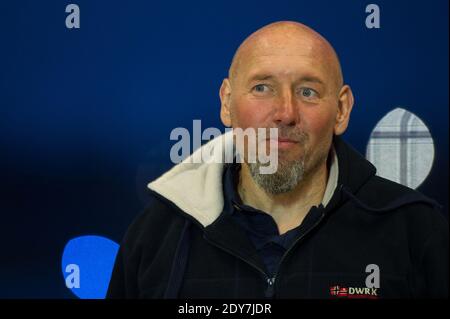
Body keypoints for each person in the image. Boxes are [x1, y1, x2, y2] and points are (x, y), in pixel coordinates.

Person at [107, 21, 448, 298]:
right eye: (262, 88)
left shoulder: (415, 232)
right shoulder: (156, 237)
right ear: (227, 102)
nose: (285, 113)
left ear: (341, 110)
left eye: (307, 91)